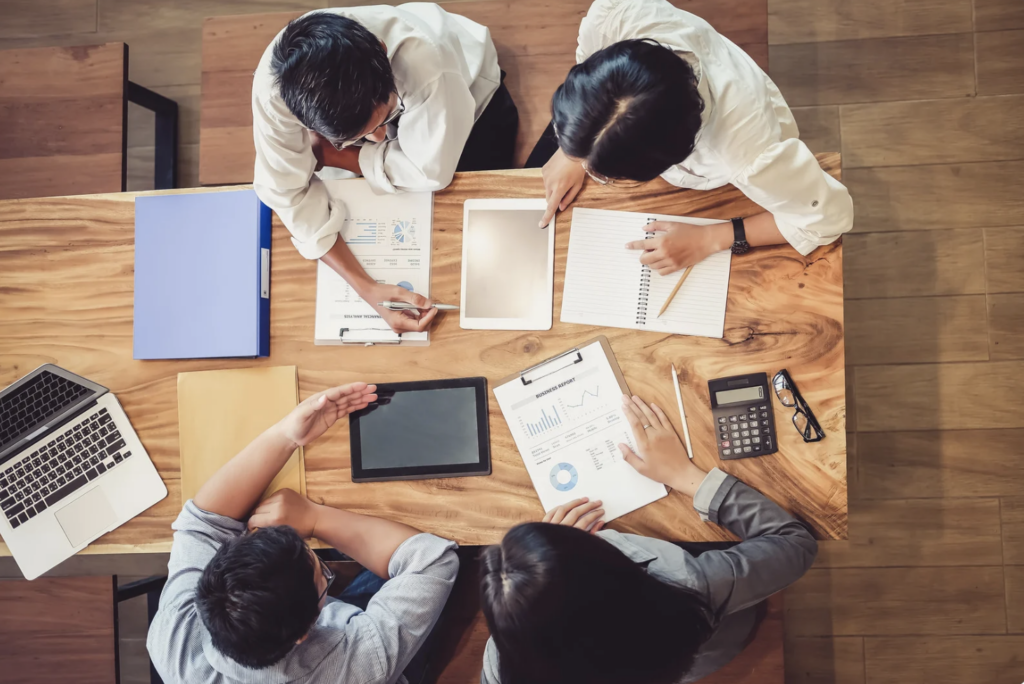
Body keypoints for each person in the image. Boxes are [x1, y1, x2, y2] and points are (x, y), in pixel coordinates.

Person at [479, 394, 818, 684]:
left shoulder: (501, 665)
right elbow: (794, 543)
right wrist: (685, 476)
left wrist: (542, 574)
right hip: (708, 644)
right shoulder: (689, 583)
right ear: (609, 565)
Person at [146, 382, 460, 684]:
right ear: (304, 632)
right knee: (450, 548)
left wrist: (285, 435)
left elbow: (203, 524)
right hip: (366, 657)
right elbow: (433, 559)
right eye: (322, 574)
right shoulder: (360, 666)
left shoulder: (173, 638)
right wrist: (314, 518)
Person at [530, 0, 853, 275]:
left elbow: (826, 220)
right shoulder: (616, 14)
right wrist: (579, 144)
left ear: (671, 155)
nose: (587, 166)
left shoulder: (748, 156)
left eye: (605, 174)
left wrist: (710, 239)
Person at [252, 6, 519, 333]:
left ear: (382, 49)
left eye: (383, 119)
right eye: (358, 137)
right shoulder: (274, 94)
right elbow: (285, 193)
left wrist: (340, 156)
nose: (379, 140)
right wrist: (368, 290)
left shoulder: (427, 63)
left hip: (471, 95)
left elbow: (430, 171)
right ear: (302, 119)